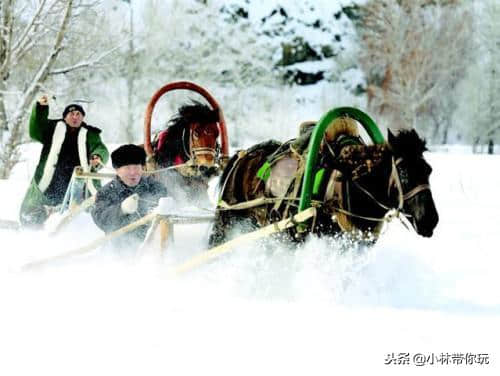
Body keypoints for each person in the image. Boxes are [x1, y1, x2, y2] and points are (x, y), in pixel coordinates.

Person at [19, 95, 109, 227]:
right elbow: (35, 130)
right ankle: (33, 232)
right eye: (71, 114)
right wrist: (41, 107)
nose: (75, 117)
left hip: (79, 185)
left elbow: (100, 149)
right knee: (32, 212)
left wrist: (98, 157)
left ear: (82, 117)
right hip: (49, 182)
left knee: (83, 217)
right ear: (65, 117)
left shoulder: (90, 134)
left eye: (78, 114)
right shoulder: (51, 129)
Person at [91, 144, 169, 248]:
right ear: (117, 170)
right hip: (118, 251)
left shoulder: (155, 188)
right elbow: (101, 220)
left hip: (153, 249)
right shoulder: (106, 192)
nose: (133, 173)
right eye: (127, 168)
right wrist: (122, 209)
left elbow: (168, 211)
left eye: (136, 167)